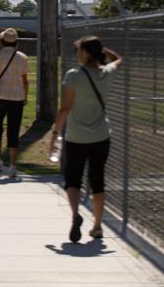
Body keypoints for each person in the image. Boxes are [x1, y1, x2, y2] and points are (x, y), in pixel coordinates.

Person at [50, 36, 122, 242]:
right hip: (101, 136)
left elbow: (64, 108)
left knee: (73, 180)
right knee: (97, 181)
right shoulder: (106, 72)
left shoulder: (74, 75)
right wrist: (104, 50)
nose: (77, 54)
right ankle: (97, 225)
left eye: (79, 50)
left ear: (86, 52)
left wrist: (56, 133)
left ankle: (75, 214)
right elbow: (119, 60)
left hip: (76, 137)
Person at [0, 28, 29, 178]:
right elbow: (25, 79)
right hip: (17, 98)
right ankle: (12, 165)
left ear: (1, 41)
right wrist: (25, 96)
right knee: (14, 131)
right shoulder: (23, 57)